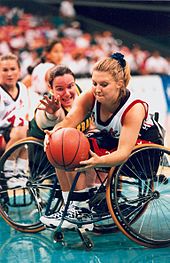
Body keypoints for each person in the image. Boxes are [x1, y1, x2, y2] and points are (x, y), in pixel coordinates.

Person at [41, 52, 164, 229]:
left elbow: (122, 154)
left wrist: (99, 161)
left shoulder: (133, 108)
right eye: (94, 83)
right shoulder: (92, 96)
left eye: (104, 84)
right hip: (115, 142)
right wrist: (53, 134)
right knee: (62, 146)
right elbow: (69, 121)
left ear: (119, 84)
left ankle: (80, 208)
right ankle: (73, 208)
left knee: (78, 152)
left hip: (143, 154)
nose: (97, 89)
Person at [29, 65, 95, 230]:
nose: (66, 93)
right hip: (41, 154)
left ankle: (79, 207)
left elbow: (90, 123)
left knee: (86, 144)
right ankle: (75, 209)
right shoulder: (47, 105)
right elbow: (47, 119)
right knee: (66, 149)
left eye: (70, 86)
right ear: (50, 88)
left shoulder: (80, 94)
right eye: (59, 89)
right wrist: (52, 113)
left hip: (69, 149)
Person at [0, 53, 29, 187]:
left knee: (28, 129)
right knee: (22, 129)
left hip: (17, 131)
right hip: (2, 131)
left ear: (19, 71)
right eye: (5, 70)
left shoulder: (23, 88)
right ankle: (9, 170)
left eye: (13, 69)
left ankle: (21, 171)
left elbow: (26, 113)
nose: (9, 73)